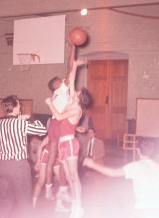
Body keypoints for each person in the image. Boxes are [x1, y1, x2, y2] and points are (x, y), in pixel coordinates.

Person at [45, 58, 90, 218]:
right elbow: (71, 80)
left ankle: (78, 208)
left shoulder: (76, 109)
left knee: (74, 176)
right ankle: (76, 206)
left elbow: (57, 116)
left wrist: (50, 104)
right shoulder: (73, 101)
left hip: (70, 143)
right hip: (63, 144)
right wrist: (75, 66)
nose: (74, 91)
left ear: (79, 97)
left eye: (77, 92)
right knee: (69, 177)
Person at [83, 140, 159, 218]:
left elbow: (113, 173)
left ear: (138, 151)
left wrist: (93, 165)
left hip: (143, 209)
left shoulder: (135, 166)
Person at [0, 95, 47, 218]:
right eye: (18, 104)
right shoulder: (20, 123)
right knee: (25, 202)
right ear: (15, 108)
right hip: (18, 167)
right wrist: (29, 118)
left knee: (3, 203)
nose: (20, 107)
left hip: (1, 167)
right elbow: (42, 130)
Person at [44, 41, 76, 203]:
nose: (63, 80)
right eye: (60, 80)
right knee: (62, 160)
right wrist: (73, 49)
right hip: (61, 125)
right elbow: (70, 69)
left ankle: (49, 190)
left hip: (52, 124)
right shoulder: (61, 89)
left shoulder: (57, 94)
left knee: (51, 160)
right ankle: (63, 190)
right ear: (56, 84)